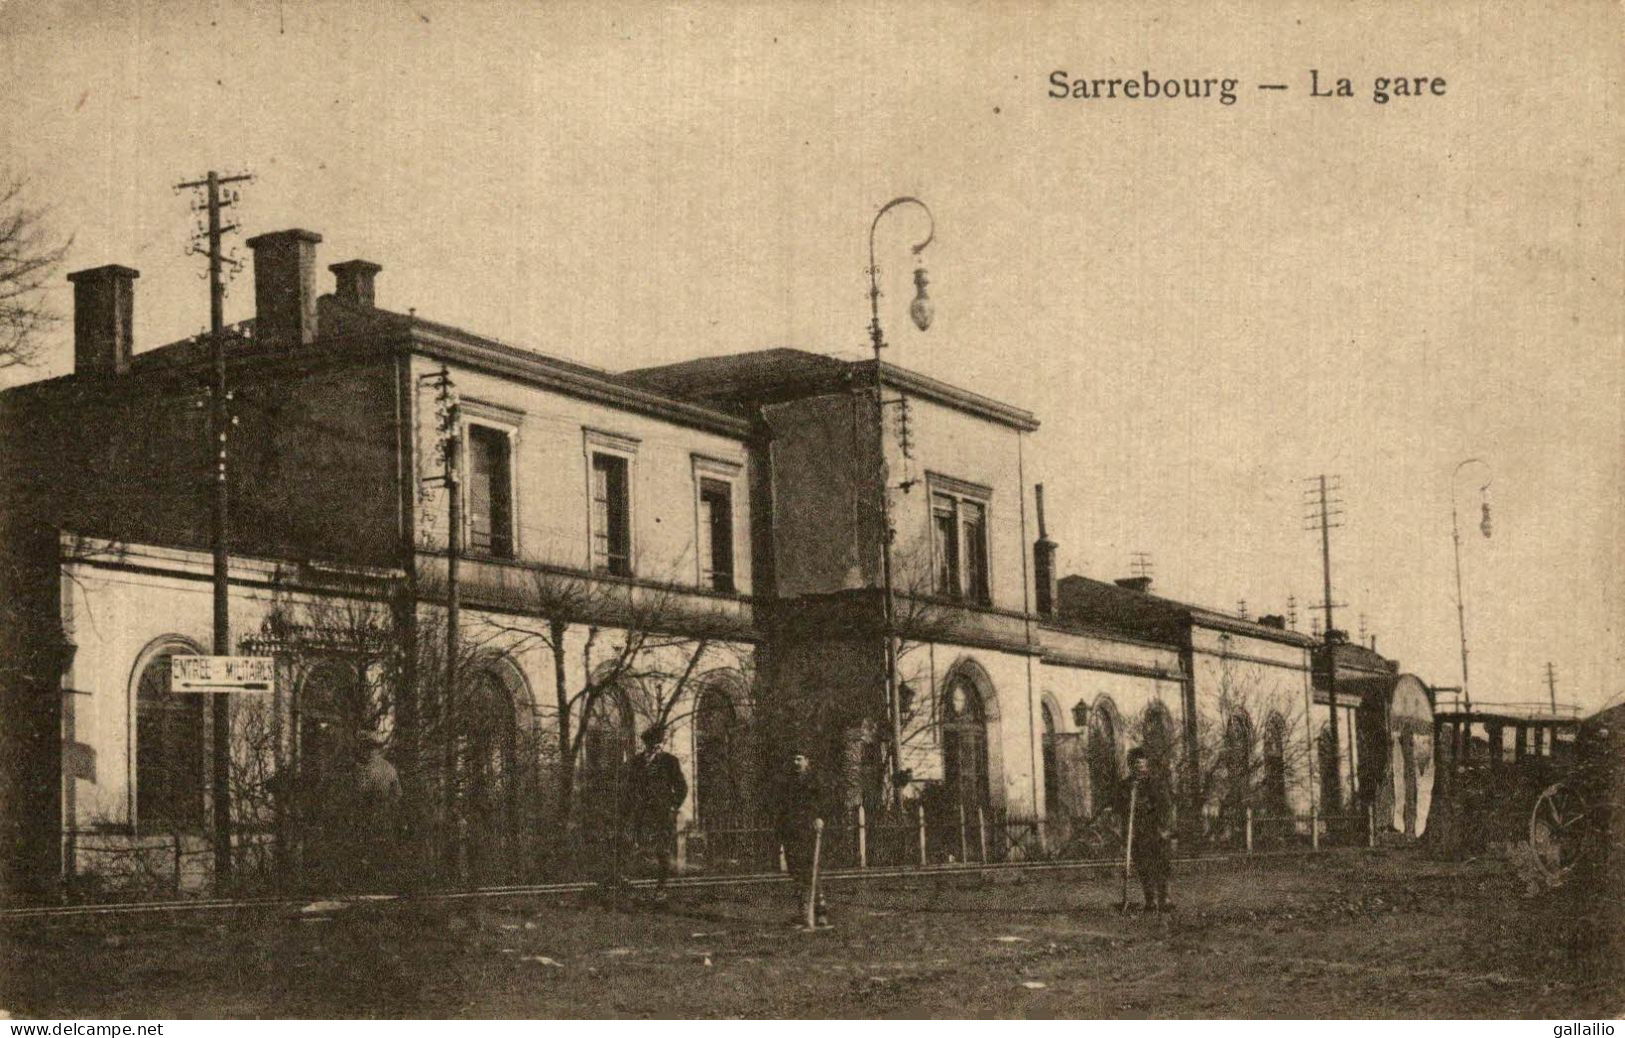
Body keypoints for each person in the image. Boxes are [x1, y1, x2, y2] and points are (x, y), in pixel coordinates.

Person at [627, 724, 687, 897]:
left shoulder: (669, 761)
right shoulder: (637, 762)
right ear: (646, 743)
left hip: (662, 812)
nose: (653, 746)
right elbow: (629, 786)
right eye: (650, 743)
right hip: (641, 812)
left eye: (657, 743)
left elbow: (681, 787)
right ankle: (636, 888)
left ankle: (661, 888)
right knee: (636, 846)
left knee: (662, 850)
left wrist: (673, 806)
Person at [774, 748, 829, 927]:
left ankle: (821, 912)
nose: (796, 763)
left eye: (799, 759)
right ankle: (804, 912)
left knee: (811, 870)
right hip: (792, 833)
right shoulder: (788, 782)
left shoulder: (815, 780)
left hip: (809, 831)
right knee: (796, 872)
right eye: (794, 759)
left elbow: (824, 801)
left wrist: (820, 817)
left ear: (807, 760)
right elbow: (783, 808)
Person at [1121, 746, 1173, 912]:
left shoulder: (1155, 784)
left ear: (1147, 765)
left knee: (1160, 865)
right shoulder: (1125, 786)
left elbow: (1166, 806)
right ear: (1131, 766)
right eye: (1137, 764)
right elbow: (1118, 808)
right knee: (1143, 867)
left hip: (1156, 831)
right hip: (1136, 833)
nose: (1140, 768)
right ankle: (1150, 900)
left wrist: (1164, 828)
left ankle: (1165, 898)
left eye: (1143, 764)